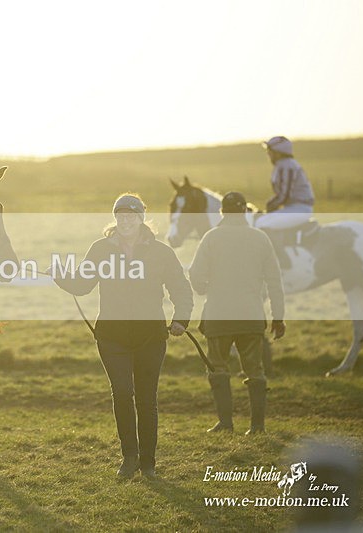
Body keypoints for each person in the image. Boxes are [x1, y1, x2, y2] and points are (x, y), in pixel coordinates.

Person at [50, 193, 193, 479]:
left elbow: (181, 288)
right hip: (112, 337)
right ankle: (129, 458)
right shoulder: (100, 249)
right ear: (115, 219)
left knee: (146, 399)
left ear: (141, 218)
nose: (126, 220)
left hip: (150, 336)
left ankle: (149, 464)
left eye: (131, 215)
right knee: (123, 394)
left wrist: (181, 319)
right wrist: (61, 276)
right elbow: (82, 285)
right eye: (121, 215)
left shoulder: (161, 252)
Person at [189, 192, 286, 435]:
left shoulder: (211, 238)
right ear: (244, 211)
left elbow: (196, 276)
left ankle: (225, 423)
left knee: (218, 368)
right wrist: (278, 317)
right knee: (255, 370)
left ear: (222, 212)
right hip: (251, 316)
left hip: (219, 315)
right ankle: (257, 427)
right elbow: (275, 280)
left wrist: (204, 289)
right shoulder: (260, 238)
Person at [254, 136, 315, 266]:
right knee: (260, 221)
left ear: (278, 152)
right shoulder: (283, 165)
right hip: (293, 208)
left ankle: (281, 261)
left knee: (262, 225)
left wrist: (269, 206)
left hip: (299, 209)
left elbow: (284, 195)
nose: (268, 154)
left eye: (269, 151)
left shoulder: (286, 166)